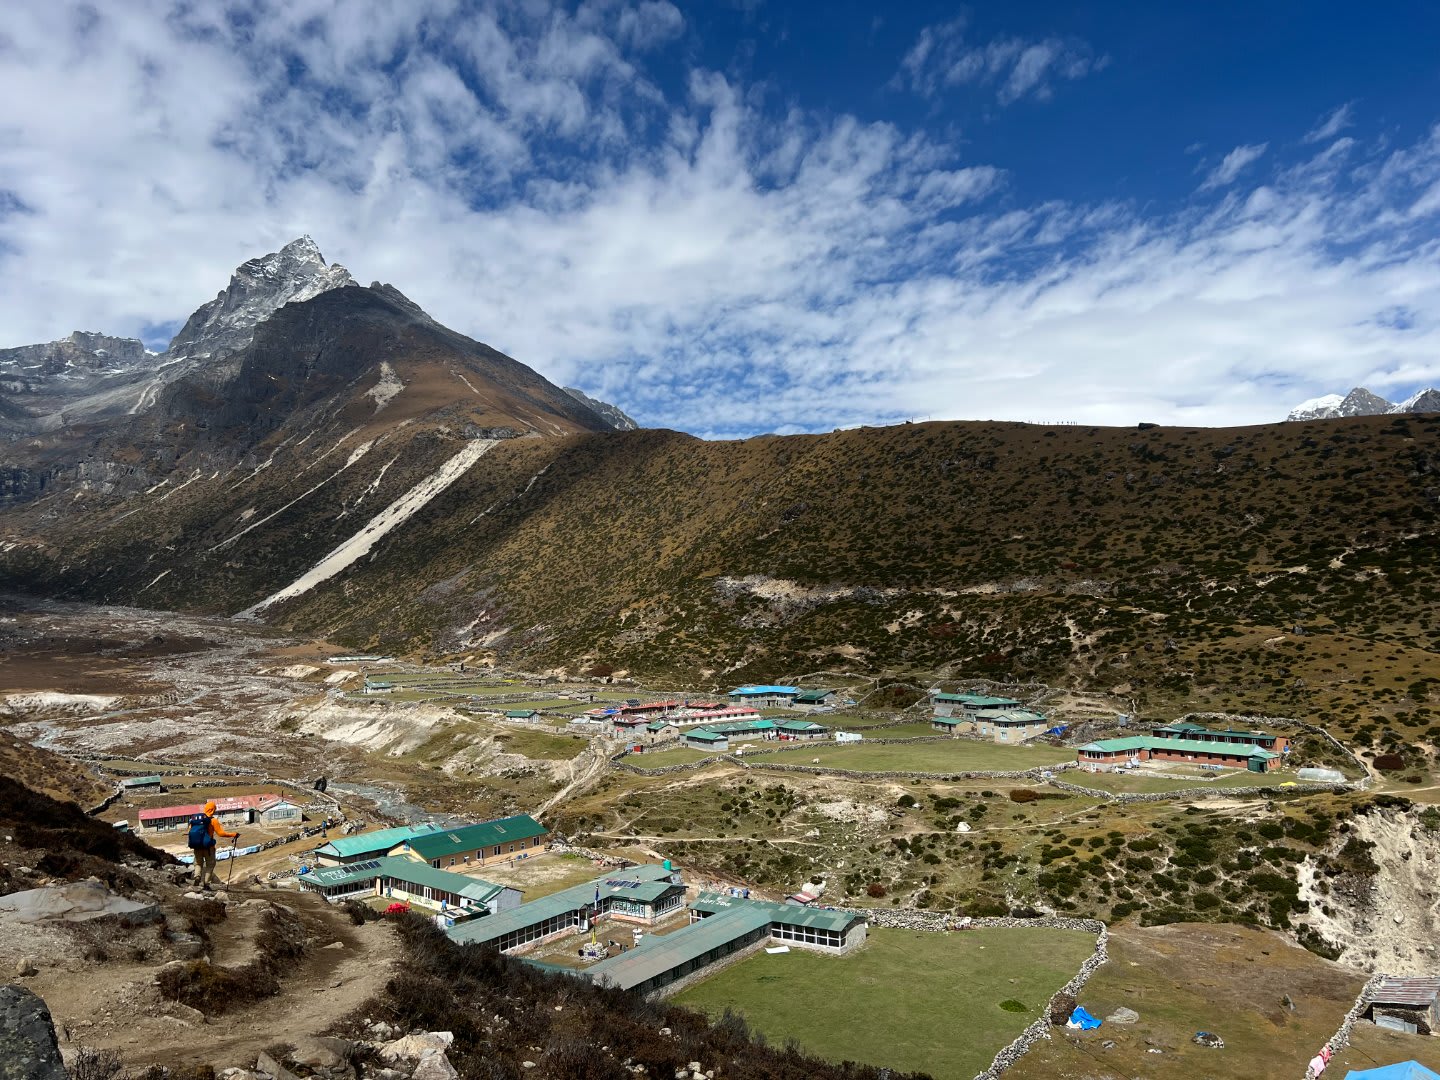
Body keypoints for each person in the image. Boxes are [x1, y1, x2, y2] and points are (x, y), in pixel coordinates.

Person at [187, 800, 239, 891]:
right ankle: (206, 883)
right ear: (213, 810)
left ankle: (197, 877)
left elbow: (189, 832)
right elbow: (221, 833)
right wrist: (233, 834)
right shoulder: (213, 820)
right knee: (210, 865)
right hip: (209, 848)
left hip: (197, 847)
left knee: (198, 863)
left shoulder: (196, 820)